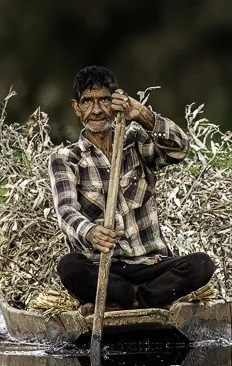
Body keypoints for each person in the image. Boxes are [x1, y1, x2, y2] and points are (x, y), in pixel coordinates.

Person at [50, 65, 216, 311]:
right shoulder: (66, 158)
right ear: (77, 108)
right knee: (69, 267)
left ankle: (137, 299)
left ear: (116, 101)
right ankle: (129, 295)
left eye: (104, 100)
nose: (96, 110)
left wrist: (141, 114)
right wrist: (91, 232)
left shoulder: (135, 141)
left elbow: (179, 149)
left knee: (202, 264)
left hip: (151, 265)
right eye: (87, 102)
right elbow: (66, 211)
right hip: (105, 269)